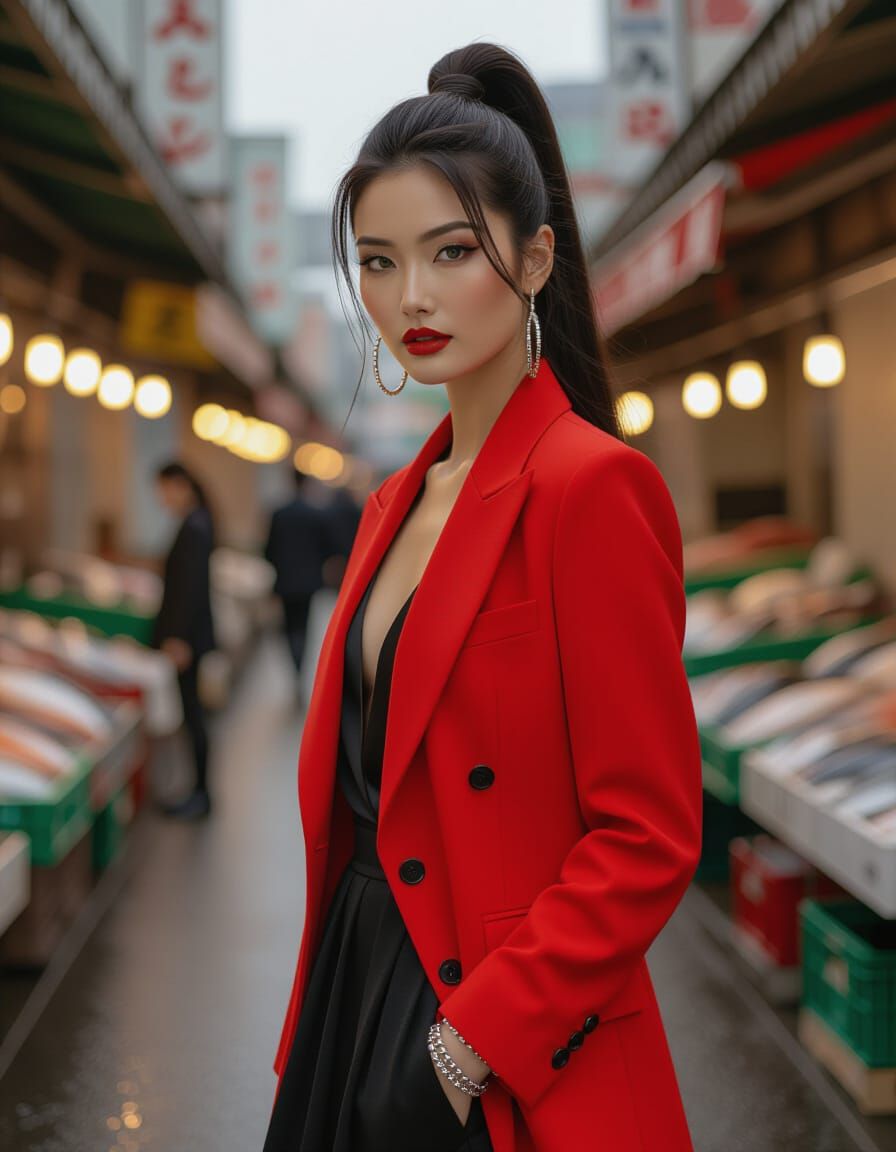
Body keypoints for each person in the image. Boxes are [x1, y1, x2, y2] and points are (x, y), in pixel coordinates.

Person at [264, 42, 703, 1152]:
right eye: (377, 262)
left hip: (495, 1031)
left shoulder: (590, 487)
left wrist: (466, 1050)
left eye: (450, 251)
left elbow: (648, 833)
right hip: (356, 990)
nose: (409, 297)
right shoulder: (389, 505)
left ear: (535, 255)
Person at [151, 460, 216, 821]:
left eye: (164, 490)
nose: (162, 498)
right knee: (193, 716)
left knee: (193, 716)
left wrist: (177, 637)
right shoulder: (198, 522)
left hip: (186, 639)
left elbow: (188, 589)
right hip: (190, 637)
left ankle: (201, 793)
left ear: (180, 485)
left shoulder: (194, 526)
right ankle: (198, 791)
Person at [264, 470, 334, 693]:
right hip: (308, 582)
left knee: (289, 626)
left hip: (285, 581)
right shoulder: (315, 514)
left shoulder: (279, 514)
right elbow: (327, 548)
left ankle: (295, 666)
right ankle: (300, 664)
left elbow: (269, 549)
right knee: (304, 626)